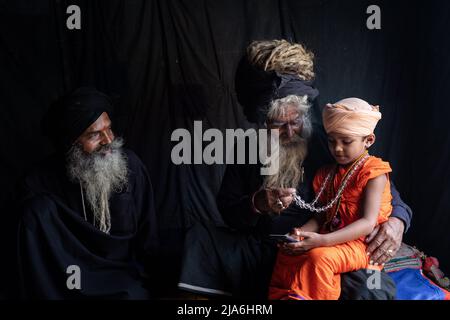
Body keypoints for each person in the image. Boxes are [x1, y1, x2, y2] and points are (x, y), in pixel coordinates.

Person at [177, 40, 412, 299]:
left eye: (296, 121)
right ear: (262, 121)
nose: (290, 132)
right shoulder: (246, 146)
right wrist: (257, 203)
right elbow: (228, 212)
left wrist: (397, 221)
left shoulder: (333, 141)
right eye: (279, 124)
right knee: (199, 239)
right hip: (266, 246)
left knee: (370, 288)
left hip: (323, 245)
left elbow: (380, 186)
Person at [15, 87, 159, 299]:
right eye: (94, 134)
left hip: (119, 277)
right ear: (70, 143)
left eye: (109, 129)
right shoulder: (39, 183)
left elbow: (148, 236)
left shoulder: (130, 168)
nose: (108, 140)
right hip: (65, 281)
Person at [269, 97, 393, 300]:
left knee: (320, 258)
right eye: (332, 141)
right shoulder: (326, 173)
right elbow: (320, 217)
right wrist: (300, 233)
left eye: (346, 142)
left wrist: (323, 241)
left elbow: (368, 223)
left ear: (368, 140)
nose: (337, 148)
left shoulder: (374, 173)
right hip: (331, 238)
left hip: (361, 246)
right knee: (288, 250)